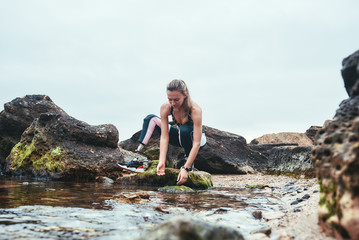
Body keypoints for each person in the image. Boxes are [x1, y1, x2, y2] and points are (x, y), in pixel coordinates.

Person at [117, 79, 206, 185]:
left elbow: (196, 143)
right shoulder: (166, 107)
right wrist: (161, 162)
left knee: (184, 129)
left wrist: (185, 168)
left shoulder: (195, 110)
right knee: (151, 118)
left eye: (176, 100)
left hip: (197, 141)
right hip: (179, 137)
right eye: (170, 99)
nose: (173, 103)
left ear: (185, 95)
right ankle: (138, 159)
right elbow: (164, 136)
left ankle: (189, 163)